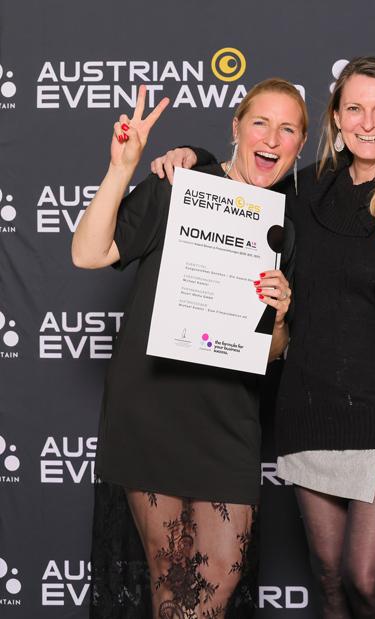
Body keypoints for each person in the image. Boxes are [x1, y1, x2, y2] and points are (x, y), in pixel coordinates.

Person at [150, 56, 375, 619]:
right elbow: (241, 188)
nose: (368, 122)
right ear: (336, 118)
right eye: (354, 108)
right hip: (311, 405)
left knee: (367, 574)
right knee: (330, 576)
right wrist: (192, 158)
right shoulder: (304, 190)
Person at [73, 79, 305, 618]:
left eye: (288, 129)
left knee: (216, 581)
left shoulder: (283, 230)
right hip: (153, 408)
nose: (272, 138)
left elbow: (273, 353)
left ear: (299, 144)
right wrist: (121, 168)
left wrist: (279, 316)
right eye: (261, 123)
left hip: (228, 420)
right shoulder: (180, 185)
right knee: (172, 583)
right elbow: (89, 253)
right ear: (236, 128)